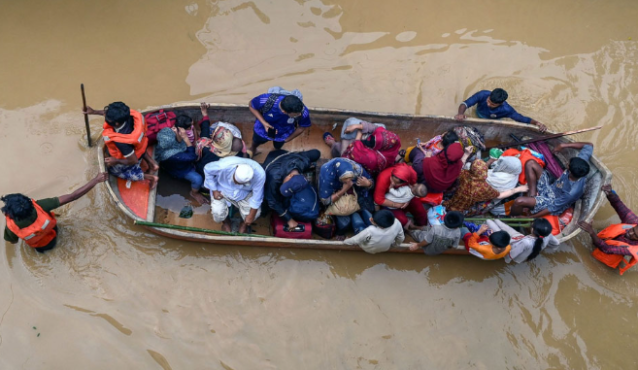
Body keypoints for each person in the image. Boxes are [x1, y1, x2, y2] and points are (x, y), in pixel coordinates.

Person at [3, 173, 108, 253]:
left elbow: (13, 241)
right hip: (54, 232)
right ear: (29, 202)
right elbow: (72, 196)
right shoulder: (41, 205)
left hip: (42, 247)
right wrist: (96, 180)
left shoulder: (11, 227)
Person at [84, 102, 159, 188]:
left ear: (116, 124)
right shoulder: (127, 115)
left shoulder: (121, 141)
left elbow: (133, 160)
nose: (105, 116)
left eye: (107, 117)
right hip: (140, 147)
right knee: (139, 147)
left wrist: (116, 161)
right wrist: (93, 111)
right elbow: (108, 113)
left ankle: (151, 178)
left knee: (113, 169)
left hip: (133, 157)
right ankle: (153, 164)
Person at [510, 142, 594, 217]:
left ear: (569, 169)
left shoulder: (571, 192)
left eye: (568, 164)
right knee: (530, 163)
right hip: (552, 187)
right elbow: (589, 145)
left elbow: (552, 208)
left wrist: (531, 218)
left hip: (552, 201)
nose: (567, 163)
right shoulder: (580, 167)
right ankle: (532, 195)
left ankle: (515, 216)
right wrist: (563, 145)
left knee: (519, 201)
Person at [579, 184, 638, 274]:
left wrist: (591, 232)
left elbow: (606, 249)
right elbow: (619, 205)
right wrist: (610, 193)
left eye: (635, 236)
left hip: (607, 255)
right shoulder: (633, 221)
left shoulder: (633, 248)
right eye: (633, 230)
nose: (630, 233)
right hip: (608, 239)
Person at [203, 157, 265, 234]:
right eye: (236, 181)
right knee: (218, 213)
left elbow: (257, 197)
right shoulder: (224, 166)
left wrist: (250, 217)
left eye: (240, 183)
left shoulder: (259, 174)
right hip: (222, 190)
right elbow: (207, 169)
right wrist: (214, 190)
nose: (237, 184)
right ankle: (226, 222)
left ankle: (243, 224)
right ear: (236, 168)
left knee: (255, 214)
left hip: (245, 194)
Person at [262, 149, 321, 229]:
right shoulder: (274, 178)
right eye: (286, 185)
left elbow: (316, 153)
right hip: (271, 160)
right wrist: (289, 219)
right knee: (265, 205)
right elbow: (272, 201)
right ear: (290, 176)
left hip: (287, 156)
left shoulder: (303, 162)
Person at [318, 158, 374, 241]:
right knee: (344, 223)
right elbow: (325, 201)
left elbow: (372, 183)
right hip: (337, 201)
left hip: (357, 195)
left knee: (369, 215)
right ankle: (342, 231)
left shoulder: (356, 170)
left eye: (351, 180)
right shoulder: (328, 176)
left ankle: (358, 221)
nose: (350, 182)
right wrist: (343, 190)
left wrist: (368, 183)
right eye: (345, 181)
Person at [443, 159, 528, 214]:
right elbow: (499, 195)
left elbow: (461, 167)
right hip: (467, 205)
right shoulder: (484, 187)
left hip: (457, 195)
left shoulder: (464, 173)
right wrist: (518, 189)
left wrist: (466, 154)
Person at [155, 127, 209, 205]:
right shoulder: (173, 155)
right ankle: (194, 193)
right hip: (180, 169)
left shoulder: (163, 141)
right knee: (198, 179)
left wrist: (177, 133)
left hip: (175, 164)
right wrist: (186, 138)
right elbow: (192, 157)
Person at [327, 119, 401, 176]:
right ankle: (336, 147)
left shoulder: (373, 159)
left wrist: (360, 132)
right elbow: (377, 128)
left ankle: (333, 146)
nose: (370, 140)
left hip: (359, 161)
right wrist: (357, 126)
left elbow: (353, 150)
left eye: (372, 142)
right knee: (381, 126)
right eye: (373, 137)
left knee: (340, 149)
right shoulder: (391, 139)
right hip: (363, 150)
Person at [455, 88, 548, 132]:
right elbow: (465, 104)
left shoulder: (506, 110)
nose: (488, 104)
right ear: (489, 96)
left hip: (492, 121)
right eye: (488, 101)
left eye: (492, 104)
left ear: (501, 103)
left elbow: (522, 119)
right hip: (478, 113)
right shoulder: (482, 94)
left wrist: (537, 123)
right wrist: (460, 113)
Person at [248, 90, 311, 155]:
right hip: (262, 129)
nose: (300, 115)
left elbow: (302, 127)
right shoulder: (266, 100)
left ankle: (274, 151)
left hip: (283, 133)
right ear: (284, 112)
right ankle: (253, 148)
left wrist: (287, 139)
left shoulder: (303, 111)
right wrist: (264, 123)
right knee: (256, 141)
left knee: (277, 146)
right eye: (296, 114)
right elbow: (251, 105)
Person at [195, 103, 247, 175]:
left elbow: (205, 131)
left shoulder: (206, 148)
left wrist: (205, 114)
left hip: (204, 171)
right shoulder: (236, 153)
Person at [373, 164, 427, 228]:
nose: (394, 184)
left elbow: (414, 188)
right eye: (392, 180)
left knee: (420, 211)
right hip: (389, 201)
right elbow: (379, 200)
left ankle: (422, 225)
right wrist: (396, 205)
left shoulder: (411, 174)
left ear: (406, 181)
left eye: (397, 183)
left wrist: (408, 200)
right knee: (403, 221)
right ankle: (409, 226)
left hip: (405, 196)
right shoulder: (383, 178)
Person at [485, 219, 559, 263]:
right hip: (518, 238)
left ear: (533, 230)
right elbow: (557, 243)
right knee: (497, 221)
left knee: (488, 221)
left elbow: (511, 255)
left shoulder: (526, 242)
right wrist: (546, 248)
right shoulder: (547, 235)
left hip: (511, 245)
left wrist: (505, 260)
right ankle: (495, 221)